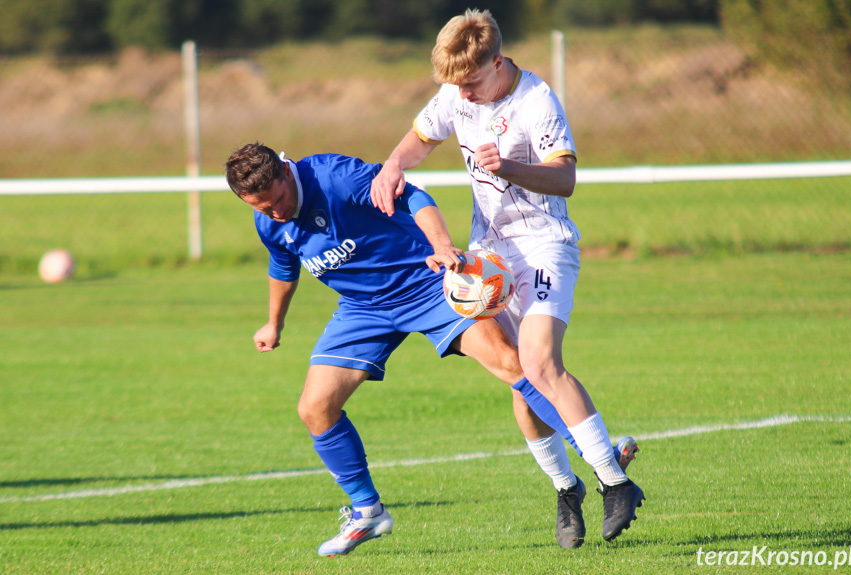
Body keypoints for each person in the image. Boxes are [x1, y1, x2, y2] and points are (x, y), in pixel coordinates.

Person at [224, 142, 633, 556]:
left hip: (427, 286)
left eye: (277, 200)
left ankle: (600, 456)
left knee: (513, 364)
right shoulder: (269, 223)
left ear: (284, 173)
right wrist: (274, 324)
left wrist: (441, 244)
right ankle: (367, 511)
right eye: (261, 208)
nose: (274, 212)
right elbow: (283, 266)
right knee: (314, 408)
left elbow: (414, 196)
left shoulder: (333, 177)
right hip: (363, 309)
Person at [370, 8, 645, 544]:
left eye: (472, 84)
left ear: (498, 62)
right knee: (521, 379)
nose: (464, 97)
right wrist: (392, 165)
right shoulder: (456, 93)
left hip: (544, 245)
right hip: (488, 256)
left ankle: (616, 482)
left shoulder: (536, 100)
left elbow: (565, 178)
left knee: (541, 362)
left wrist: (509, 167)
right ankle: (567, 490)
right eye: (456, 87)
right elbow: (419, 139)